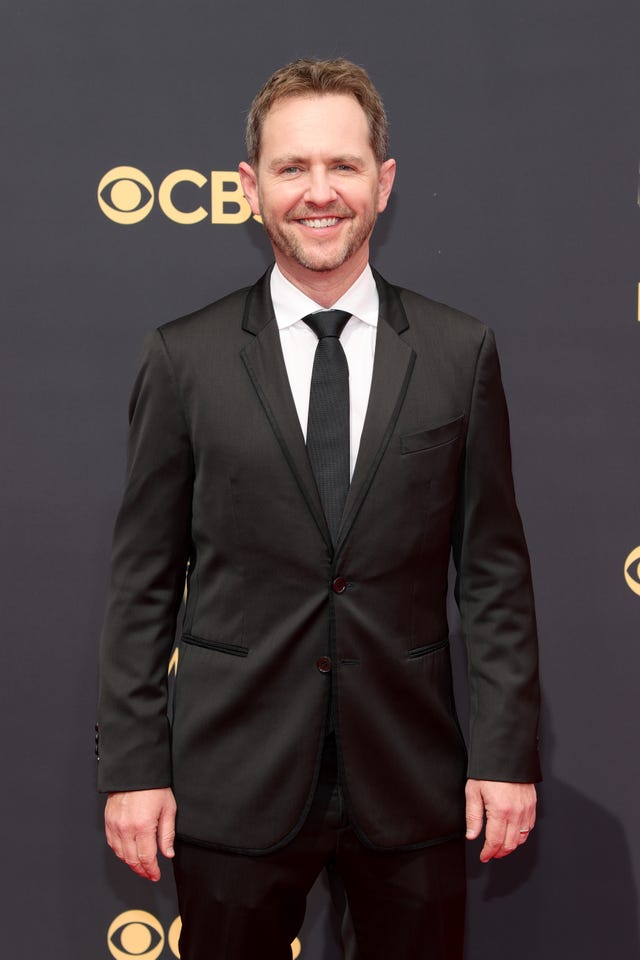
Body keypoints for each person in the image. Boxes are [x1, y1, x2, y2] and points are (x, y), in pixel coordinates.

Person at [97, 58, 541, 960]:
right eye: (292, 168)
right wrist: (134, 771)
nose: (318, 193)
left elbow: (492, 573)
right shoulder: (185, 358)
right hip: (230, 778)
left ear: (382, 181)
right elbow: (143, 580)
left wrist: (503, 752)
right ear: (248, 189)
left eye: (341, 166)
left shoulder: (460, 352)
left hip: (412, 777)